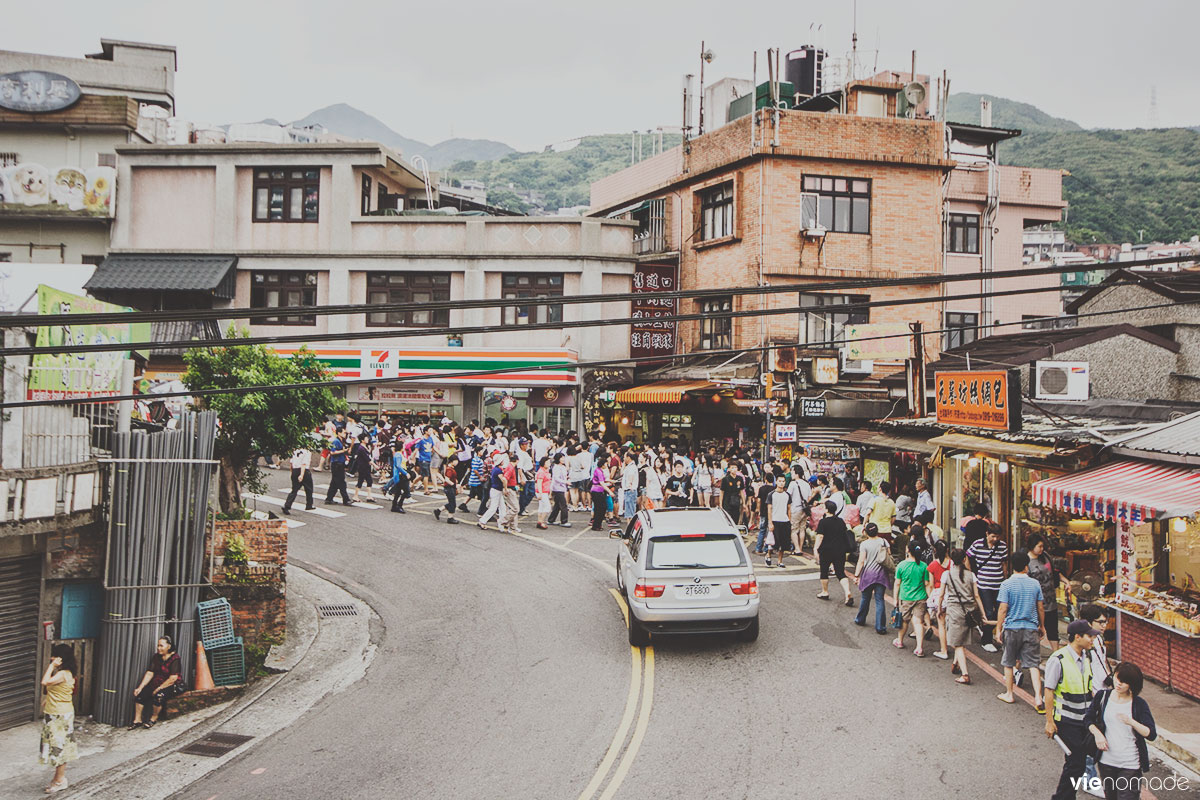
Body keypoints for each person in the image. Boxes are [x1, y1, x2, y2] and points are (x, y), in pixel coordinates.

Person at [1044, 619, 1102, 800]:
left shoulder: (1087, 657)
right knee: (1076, 763)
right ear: (1077, 637)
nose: (1092, 639)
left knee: (1079, 761)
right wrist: (1049, 721)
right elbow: (1049, 691)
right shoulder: (1058, 659)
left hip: (1083, 720)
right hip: (1067, 720)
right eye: (1089, 636)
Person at [1084, 662, 1158, 800]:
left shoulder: (1138, 704)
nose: (1118, 684)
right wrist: (1097, 734)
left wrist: (1132, 722)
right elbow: (1088, 719)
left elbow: (1151, 734)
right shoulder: (1102, 697)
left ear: (1132, 685)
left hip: (1130, 764)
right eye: (1117, 678)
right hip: (1106, 762)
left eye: (1124, 682)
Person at [995, 551, 1047, 709]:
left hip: (1011, 627)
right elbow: (1040, 607)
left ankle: (1009, 694)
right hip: (1030, 627)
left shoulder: (1006, 584)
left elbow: (1003, 609)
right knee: (1033, 664)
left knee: (1009, 662)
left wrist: (998, 629)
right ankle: (1038, 697)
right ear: (1026, 566)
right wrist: (1042, 625)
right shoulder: (1035, 584)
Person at [943, 547, 987, 685]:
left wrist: (939, 608)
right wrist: (983, 613)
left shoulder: (947, 575)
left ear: (951, 560)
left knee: (958, 643)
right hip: (969, 611)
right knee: (961, 640)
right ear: (964, 559)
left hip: (954, 610)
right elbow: (976, 596)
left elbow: (941, 595)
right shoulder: (971, 575)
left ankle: (965, 674)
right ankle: (956, 663)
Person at [39, 643, 78, 793]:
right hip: (56, 712)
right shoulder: (64, 672)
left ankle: (60, 780)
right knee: (57, 746)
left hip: (59, 715)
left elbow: (45, 682)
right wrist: (47, 700)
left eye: (54, 656)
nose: (51, 658)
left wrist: (51, 666)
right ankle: (57, 778)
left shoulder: (63, 673)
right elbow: (57, 690)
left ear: (61, 658)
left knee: (59, 747)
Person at [967, 522, 1009, 653]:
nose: (995, 539)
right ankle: (986, 640)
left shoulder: (1002, 546)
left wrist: (1005, 580)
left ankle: (998, 636)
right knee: (989, 612)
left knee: (1000, 612)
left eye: (997, 537)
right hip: (984, 584)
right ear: (987, 534)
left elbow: (1004, 564)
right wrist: (971, 574)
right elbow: (967, 557)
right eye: (993, 536)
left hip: (998, 584)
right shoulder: (978, 544)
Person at [130, 635, 186, 729]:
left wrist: (159, 688)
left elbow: (173, 678)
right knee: (140, 695)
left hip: (171, 684)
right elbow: (150, 673)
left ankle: (154, 718)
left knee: (159, 696)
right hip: (157, 681)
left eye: (161, 646)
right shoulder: (156, 657)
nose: (159, 648)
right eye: (158, 645)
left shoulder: (175, 658)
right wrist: (140, 687)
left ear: (169, 646)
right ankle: (137, 720)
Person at [1024, 533, 1066, 646]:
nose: (1041, 549)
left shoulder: (1046, 556)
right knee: (1035, 631)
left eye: (1043, 546)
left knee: (1053, 630)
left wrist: (1066, 581)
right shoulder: (1026, 561)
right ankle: (1034, 656)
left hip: (1051, 600)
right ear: (1032, 546)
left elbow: (1055, 573)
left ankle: (1055, 655)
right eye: (1039, 546)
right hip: (1036, 603)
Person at [892, 540, 932, 656]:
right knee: (918, 621)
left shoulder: (901, 565)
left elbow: (897, 583)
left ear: (908, 550)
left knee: (904, 620)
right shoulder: (924, 566)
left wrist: (895, 598)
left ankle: (899, 641)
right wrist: (930, 599)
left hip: (906, 597)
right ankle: (919, 648)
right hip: (921, 597)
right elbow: (927, 584)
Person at [853, 523, 892, 635]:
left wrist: (856, 575)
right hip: (881, 575)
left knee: (865, 597)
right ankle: (880, 627)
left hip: (868, 574)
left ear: (865, 532)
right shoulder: (884, 541)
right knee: (879, 599)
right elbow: (888, 555)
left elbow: (861, 561)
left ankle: (860, 619)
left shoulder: (864, 544)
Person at [814, 499, 853, 604]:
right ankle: (847, 592)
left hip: (826, 550)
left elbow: (820, 536)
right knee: (840, 572)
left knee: (824, 571)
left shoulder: (823, 522)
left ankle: (825, 592)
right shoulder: (840, 521)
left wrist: (815, 548)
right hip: (840, 550)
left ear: (826, 510)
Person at [926, 540, 950, 660]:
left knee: (941, 624)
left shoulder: (933, 565)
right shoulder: (952, 563)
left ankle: (944, 650)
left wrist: (931, 599)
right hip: (952, 595)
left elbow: (930, 585)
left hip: (939, 594)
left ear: (934, 551)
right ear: (947, 550)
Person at [766, 476, 792, 569]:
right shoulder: (771, 494)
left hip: (785, 521)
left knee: (783, 544)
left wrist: (789, 521)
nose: (781, 483)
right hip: (775, 520)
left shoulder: (787, 495)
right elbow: (769, 509)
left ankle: (779, 561)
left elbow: (789, 509)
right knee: (773, 542)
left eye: (783, 481)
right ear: (776, 482)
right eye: (779, 481)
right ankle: (768, 555)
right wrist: (770, 523)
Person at [281, 445, 314, 515]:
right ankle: (309, 505)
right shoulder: (307, 452)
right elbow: (304, 464)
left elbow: (291, 462)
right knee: (309, 489)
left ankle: (287, 505)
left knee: (294, 489)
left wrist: (292, 471)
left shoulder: (296, 450)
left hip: (295, 470)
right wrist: (301, 475)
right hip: (304, 471)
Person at [324, 433, 351, 505]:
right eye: (343, 432)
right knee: (341, 482)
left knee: (334, 483)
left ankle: (329, 498)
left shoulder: (342, 441)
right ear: (339, 433)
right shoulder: (336, 441)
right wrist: (343, 451)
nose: (345, 434)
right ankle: (346, 499)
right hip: (336, 464)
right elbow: (332, 452)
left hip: (340, 463)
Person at [590, 456, 615, 531]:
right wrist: (609, 491)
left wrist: (611, 481)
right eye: (606, 464)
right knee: (600, 508)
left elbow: (604, 480)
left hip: (599, 491)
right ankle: (596, 525)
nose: (607, 465)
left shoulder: (600, 471)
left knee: (601, 508)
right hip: (597, 491)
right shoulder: (599, 471)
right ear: (603, 464)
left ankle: (597, 524)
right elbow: (602, 483)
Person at [548, 452, 571, 528]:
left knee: (557, 505)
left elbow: (564, 476)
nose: (563, 459)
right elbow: (556, 478)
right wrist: (565, 482)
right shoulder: (556, 467)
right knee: (563, 505)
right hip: (557, 488)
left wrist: (567, 479)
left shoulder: (563, 467)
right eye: (561, 458)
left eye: (564, 458)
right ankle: (564, 521)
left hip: (562, 487)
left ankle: (551, 519)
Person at [350, 433, 375, 503]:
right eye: (366, 438)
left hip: (366, 467)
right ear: (362, 440)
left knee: (369, 480)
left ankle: (369, 496)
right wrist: (375, 465)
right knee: (361, 481)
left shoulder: (365, 447)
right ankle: (355, 496)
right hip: (362, 467)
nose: (367, 439)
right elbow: (367, 459)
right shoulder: (361, 448)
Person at [620, 451, 639, 521]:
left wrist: (629, 485)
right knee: (629, 512)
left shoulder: (632, 467)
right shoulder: (630, 466)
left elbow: (630, 477)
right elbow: (622, 473)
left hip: (629, 491)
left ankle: (631, 530)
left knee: (630, 513)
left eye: (625, 457)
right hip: (628, 491)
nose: (623, 458)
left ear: (629, 457)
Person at [534, 457, 553, 530]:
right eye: (547, 462)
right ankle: (541, 521)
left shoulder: (546, 471)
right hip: (542, 492)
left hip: (545, 491)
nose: (549, 464)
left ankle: (539, 521)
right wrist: (540, 493)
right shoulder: (541, 472)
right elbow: (539, 483)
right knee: (547, 507)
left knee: (541, 507)